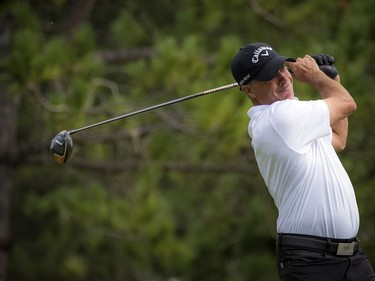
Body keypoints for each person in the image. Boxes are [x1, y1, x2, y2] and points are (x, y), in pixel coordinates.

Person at [230, 42, 375, 281]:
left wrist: (332, 81)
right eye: (269, 76)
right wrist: (318, 78)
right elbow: (348, 105)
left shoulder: (296, 119)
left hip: (351, 257)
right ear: (249, 91)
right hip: (311, 259)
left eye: (282, 67)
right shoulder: (279, 119)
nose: (283, 77)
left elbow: (338, 139)